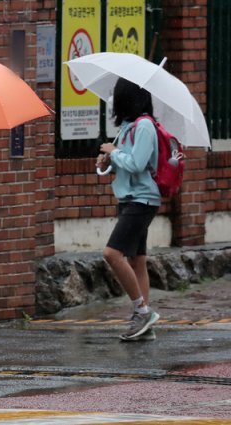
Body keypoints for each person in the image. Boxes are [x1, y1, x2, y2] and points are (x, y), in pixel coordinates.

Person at [97, 78, 161, 341]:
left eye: (118, 95)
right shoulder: (128, 127)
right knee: (137, 261)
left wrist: (114, 152)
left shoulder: (145, 126)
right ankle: (144, 323)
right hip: (129, 198)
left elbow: (136, 163)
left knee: (112, 254)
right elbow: (122, 163)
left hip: (142, 200)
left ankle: (142, 311)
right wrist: (106, 161)